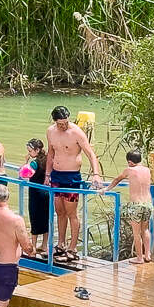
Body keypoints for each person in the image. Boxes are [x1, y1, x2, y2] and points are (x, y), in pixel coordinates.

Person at [45, 106, 103, 262]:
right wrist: (47, 175)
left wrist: (96, 174)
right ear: (55, 121)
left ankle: (72, 248)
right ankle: (61, 244)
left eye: (65, 122)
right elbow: (50, 153)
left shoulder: (76, 132)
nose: (63, 126)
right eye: (60, 123)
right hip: (56, 176)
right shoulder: (51, 131)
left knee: (71, 213)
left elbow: (90, 153)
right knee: (59, 211)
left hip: (71, 177)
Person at [118, 149, 154, 264]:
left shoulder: (129, 170)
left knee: (136, 232)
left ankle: (139, 258)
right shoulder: (147, 170)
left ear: (130, 162)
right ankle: (147, 254)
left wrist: (105, 189)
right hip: (148, 203)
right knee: (145, 229)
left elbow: (117, 179)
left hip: (136, 205)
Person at [23, 137, 52, 253]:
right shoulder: (47, 160)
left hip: (36, 193)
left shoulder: (34, 163)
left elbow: (24, 174)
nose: (29, 153)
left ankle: (33, 246)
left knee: (34, 218)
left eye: (30, 151)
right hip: (47, 193)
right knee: (46, 218)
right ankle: (44, 245)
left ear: (37, 150)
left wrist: (25, 162)